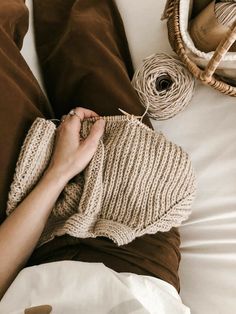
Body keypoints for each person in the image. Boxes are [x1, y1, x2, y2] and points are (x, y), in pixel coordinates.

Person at [0, 0, 183, 310]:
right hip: (132, 244)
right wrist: (62, 169)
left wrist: (58, 173)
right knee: (85, 36)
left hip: (21, 250)